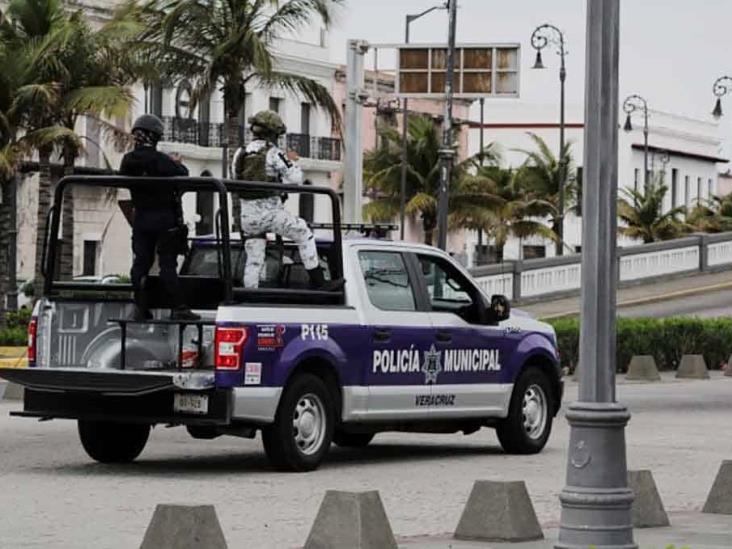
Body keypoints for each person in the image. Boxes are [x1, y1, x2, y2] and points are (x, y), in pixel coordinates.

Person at [232, 110, 340, 290]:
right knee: (303, 232)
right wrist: (292, 160)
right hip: (271, 214)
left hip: (247, 216)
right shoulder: (274, 153)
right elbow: (296, 177)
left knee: (254, 258)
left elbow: (234, 177)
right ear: (273, 133)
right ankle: (319, 282)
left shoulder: (240, 153)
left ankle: (250, 294)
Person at [120, 114, 199, 321]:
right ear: (155, 137)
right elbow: (183, 174)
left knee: (140, 264)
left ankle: (140, 306)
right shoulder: (162, 161)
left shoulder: (128, 160)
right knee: (167, 265)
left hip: (142, 219)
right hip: (165, 220)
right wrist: (176, 163)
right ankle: (179, 307)